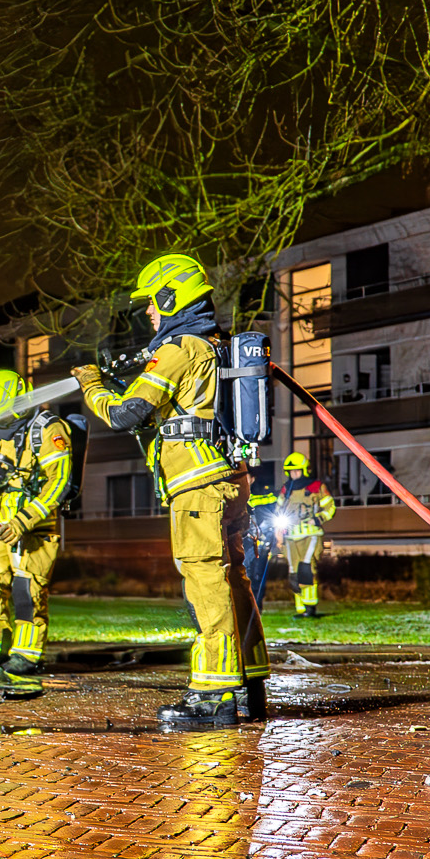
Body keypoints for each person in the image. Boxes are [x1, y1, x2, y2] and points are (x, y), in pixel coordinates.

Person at [73, 254, 269, 728]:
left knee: (204, 579)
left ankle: (215, 694)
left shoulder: (180, 348)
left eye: (151, 303)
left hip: (198, 486)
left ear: (170, 296)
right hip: (230, 479)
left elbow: (123, 414)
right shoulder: (214, 345)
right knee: (233, 577)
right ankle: (251, 682)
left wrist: (91, 385)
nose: (147, 313)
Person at [0, 368, 73, 690]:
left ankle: (26, 654)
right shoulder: (4, 432)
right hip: (1, 526)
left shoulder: (49, 429)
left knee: (28, 591)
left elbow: (60, 482)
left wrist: (23, 520)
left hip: (33, 529)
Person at [279, 451, 338, 617]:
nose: (294, 474)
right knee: (293, 572)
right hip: (290, 536)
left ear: (304, 470)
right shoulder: (286, 490)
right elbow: (279, 509)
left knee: (307, 569)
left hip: (310, 534)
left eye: (297, 471)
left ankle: (310, 607)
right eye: (291, 471)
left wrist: (317, 519)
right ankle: (300, 609)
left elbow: (330, 507)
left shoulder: (316, 487)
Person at [245, 469, 281, 604]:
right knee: (244, 575)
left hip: (261, 542)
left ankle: (256, 608)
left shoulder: (265, 496)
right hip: (243, 542)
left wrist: (272, 537)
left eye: (246, 477)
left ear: (253, 478)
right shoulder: (236, 495)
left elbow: (274, 514)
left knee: (258, 576)